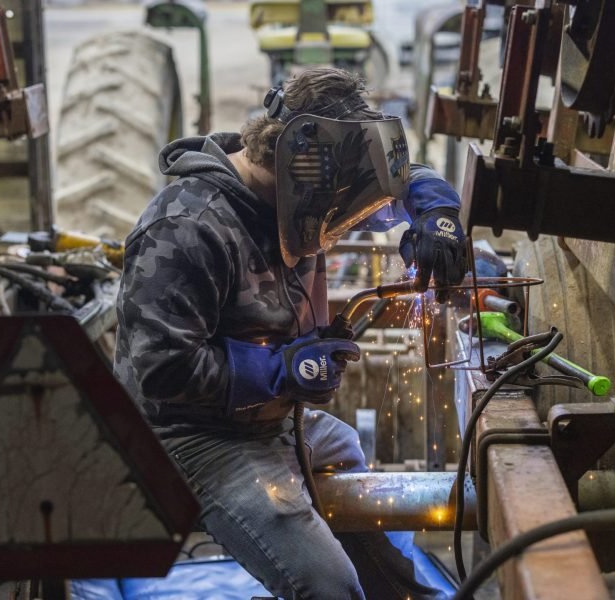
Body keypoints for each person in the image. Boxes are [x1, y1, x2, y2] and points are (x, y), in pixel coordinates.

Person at [114, 67, 467, 599]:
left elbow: (400, 180)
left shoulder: (303, 190)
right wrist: (279, 372)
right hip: (190, 438)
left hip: (271, 421)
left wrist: (435, 209)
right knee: (327, 586)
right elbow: (162, 369)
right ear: (307, 172)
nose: (344, 224)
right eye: (340, 208)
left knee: (347, 455)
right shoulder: (187, 225)